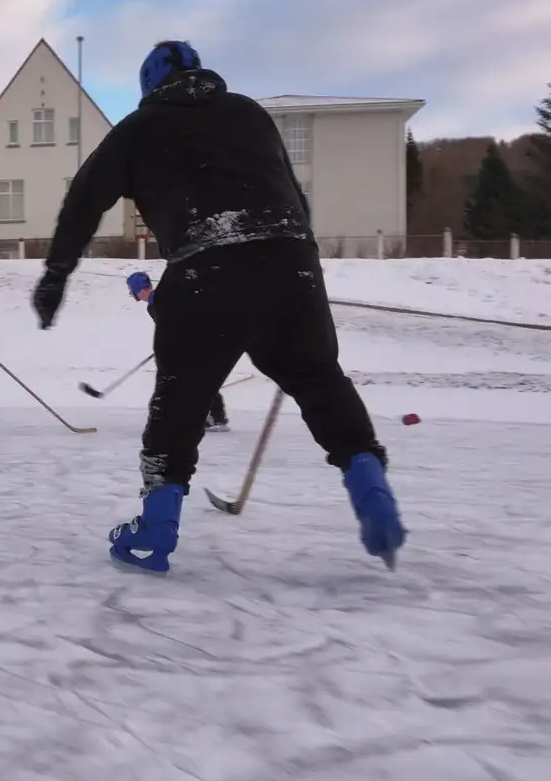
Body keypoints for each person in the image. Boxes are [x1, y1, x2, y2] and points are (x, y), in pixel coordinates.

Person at [30, 39, 405, 574]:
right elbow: (293, 195)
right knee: (320, 380)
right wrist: (299, 267)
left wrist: (56, 273)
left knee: (180, 399)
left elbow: (85, 197)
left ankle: (157, 525)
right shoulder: (249, 113)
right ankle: (368, 478)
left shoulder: (141, 128)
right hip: (291, 261)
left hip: (208, 268)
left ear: (148, 87)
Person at [126, 270, 229, 433]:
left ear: (138, 289)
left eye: (133, 290)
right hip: (187, 343)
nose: (133, 295)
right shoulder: (155, 303)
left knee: (198, 379)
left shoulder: (161, 300)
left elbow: (184, 317)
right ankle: (211, 416)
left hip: (195, 342)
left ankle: (216, 417)